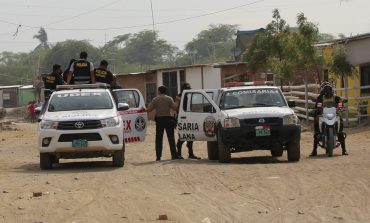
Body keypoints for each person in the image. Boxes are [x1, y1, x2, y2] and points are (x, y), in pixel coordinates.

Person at [310, 84, 348, 156]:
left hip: (335, 115)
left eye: (329, 92)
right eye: (326, 92)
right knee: (317, 133)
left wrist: (340, 108)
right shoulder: (321, 98)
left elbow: (340, 104)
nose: (328, 93)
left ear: (332, 92)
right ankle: (314, 150)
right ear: (324, 92)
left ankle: (344, 150)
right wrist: (317, 111)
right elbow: (318, 106)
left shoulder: (336, 97)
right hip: (324, 116)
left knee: (341, 132)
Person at [145, 86, 180, 161]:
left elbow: (149, 110)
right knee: (171, 138)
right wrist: (177, 101)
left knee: (158, 139)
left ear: (159, 91)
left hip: (159, 120)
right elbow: (175, 108)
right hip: (168, 119)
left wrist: (143, 109)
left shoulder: (155, 99)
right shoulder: (169, 98)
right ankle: (174, 155)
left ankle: (158, 157)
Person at [175, 83, 200, 159]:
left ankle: (191, 154)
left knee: (190, 136)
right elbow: (176, 108)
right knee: (182, 136)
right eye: (187, 89)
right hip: (182, 118)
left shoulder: (186, 96)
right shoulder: (179, 97)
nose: (189, 90)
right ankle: (178, 154)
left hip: (188, 117)